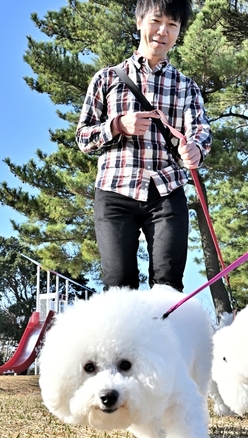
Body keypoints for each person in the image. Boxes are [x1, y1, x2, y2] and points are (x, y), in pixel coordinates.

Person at [75, 0, 210, 292]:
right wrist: (118, 125)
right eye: (156, 21)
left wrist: (196, 149)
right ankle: (125, 340)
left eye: (173, 25)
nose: (163, 31)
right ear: (139, 22)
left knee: (168, 285)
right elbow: (83, 138)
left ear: (179, 32)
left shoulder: (186, 86)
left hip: (167, 191)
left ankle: (166, 338)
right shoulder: (107, 78)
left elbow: (200, 131)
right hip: (114, 190)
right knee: (118, 286)